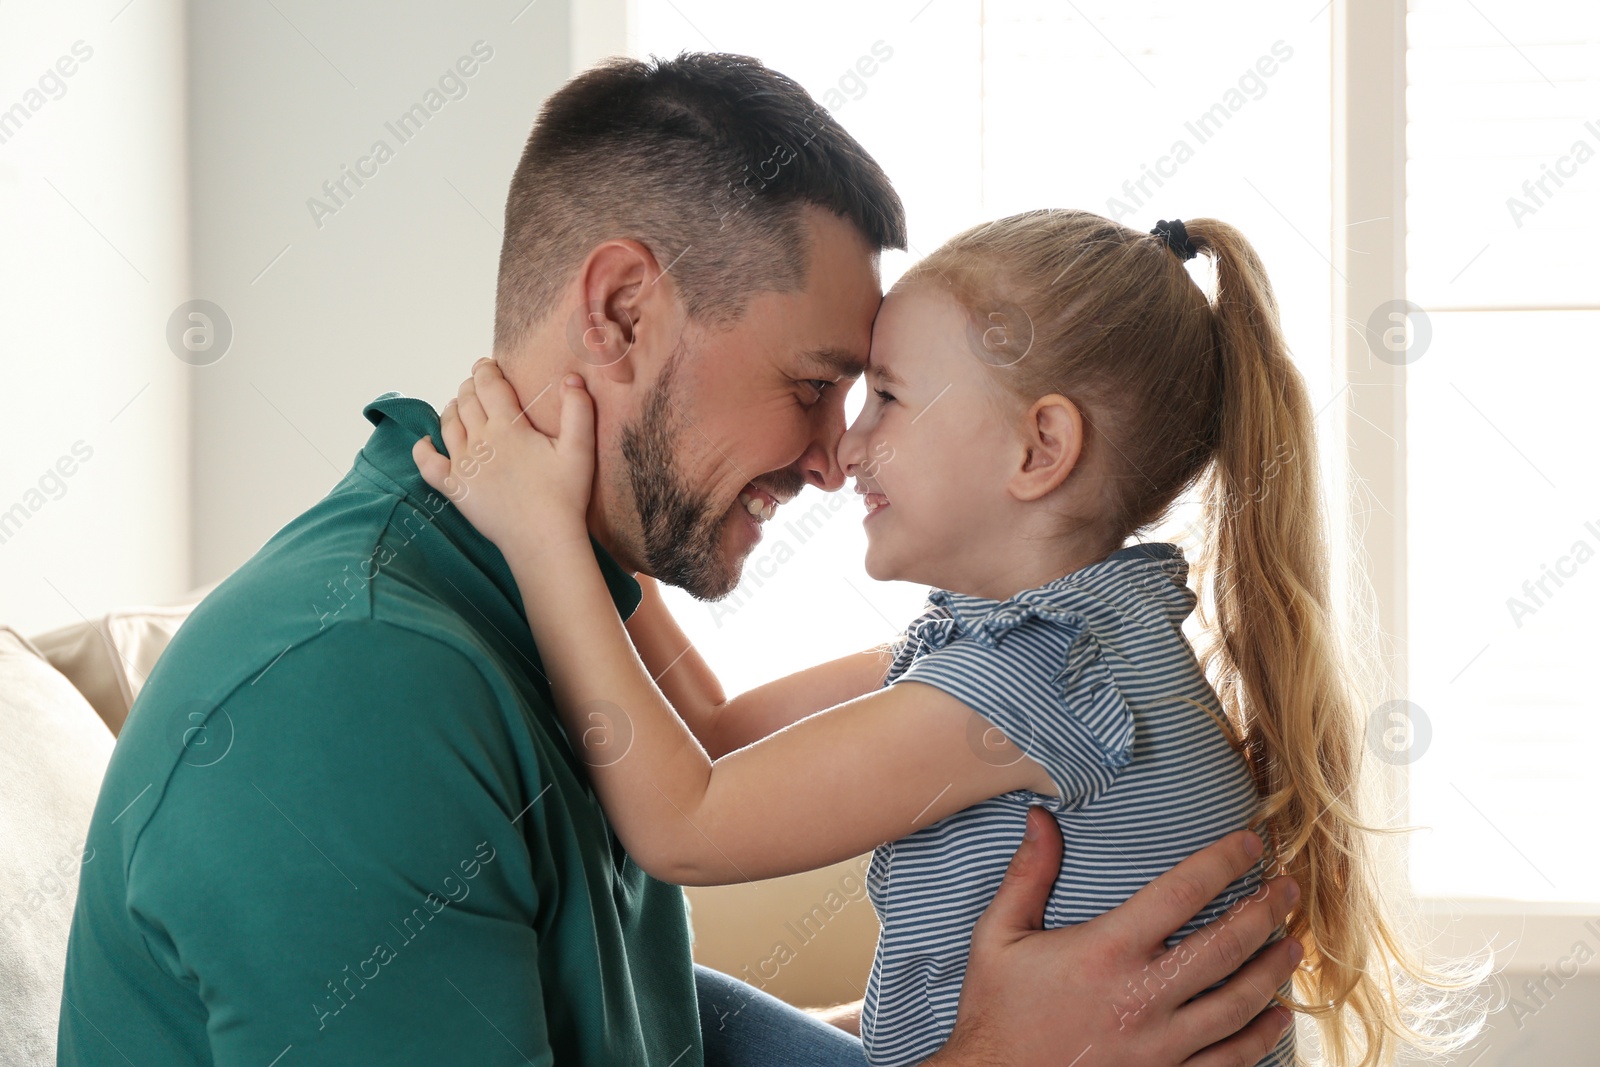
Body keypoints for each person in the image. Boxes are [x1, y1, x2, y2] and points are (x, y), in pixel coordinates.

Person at [57, 54, 1299, 1065]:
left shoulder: (526, 609)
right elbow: (692, 797)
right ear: (620, 312)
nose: (832, 458)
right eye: (817, 386)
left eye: (874, 400)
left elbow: (700, 765)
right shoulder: (345, 697)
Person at [415, 209, 1476, 1066]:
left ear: (1039, 446)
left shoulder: (1036, 683)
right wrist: (603, 509)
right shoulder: (1035, 647)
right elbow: (717, 730)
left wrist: (540, 534)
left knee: (666, 1011)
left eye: (885, 397)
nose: (845, 446)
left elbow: (684, 822)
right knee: (671, 1005)